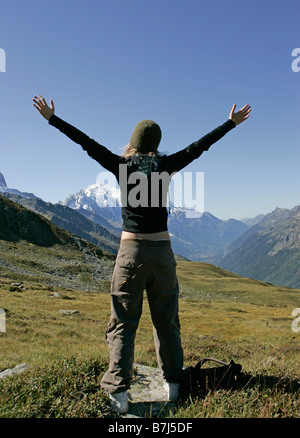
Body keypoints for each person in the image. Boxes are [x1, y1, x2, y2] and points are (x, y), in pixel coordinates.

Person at [33, 95, 251, 414]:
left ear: (133, 142)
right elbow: (200, 145)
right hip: (162, 253)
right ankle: (174, 385)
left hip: (130, 253)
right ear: (156, 144)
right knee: (167, 322)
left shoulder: (121, 166)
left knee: (122, 322)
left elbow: (86, 143)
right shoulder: (165, 165)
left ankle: (118, 394)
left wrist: (53, 118)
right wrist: (230, 123)